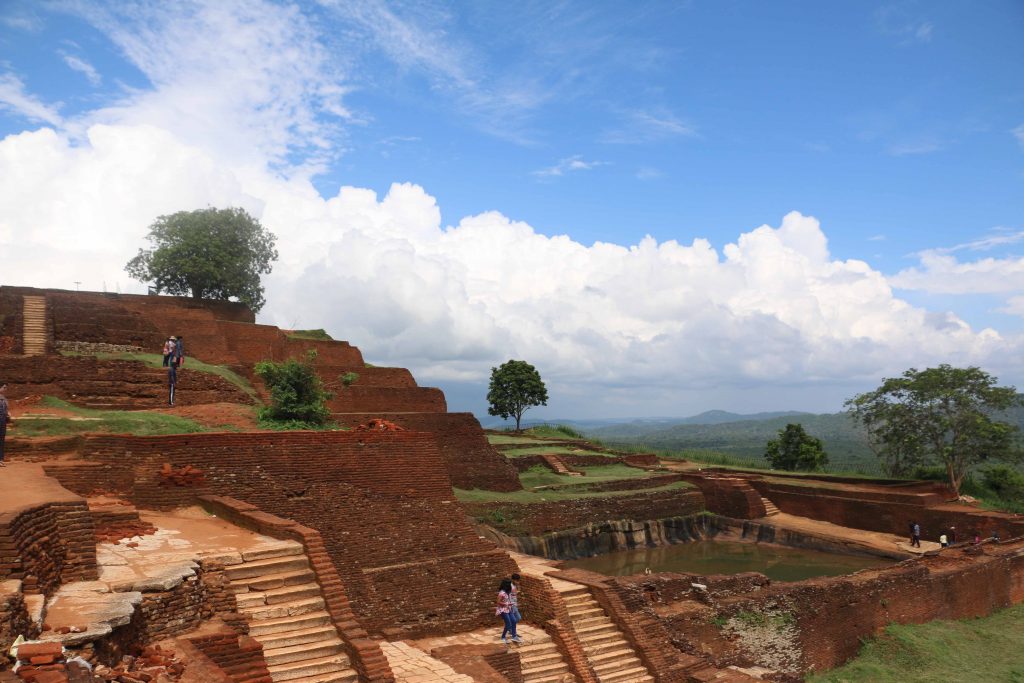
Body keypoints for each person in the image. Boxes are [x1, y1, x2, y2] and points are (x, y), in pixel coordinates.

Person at [495, 579, 521, 644]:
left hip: (509, 608)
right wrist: (506, 604)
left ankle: (514, 636)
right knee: (508, 624)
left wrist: (511, 604)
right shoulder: (502, 593)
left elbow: (508, 599)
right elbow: (498, 602)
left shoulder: (507, 592)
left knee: (514, 620)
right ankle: (503, 637)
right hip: (503, 610)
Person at [0, 382, 11, 467]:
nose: (5, 389)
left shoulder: (4, 399)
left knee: (1, 440)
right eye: (4, 387)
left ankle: (0, 459)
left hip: (3, 421)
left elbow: (6, 410)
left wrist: (8, 413)